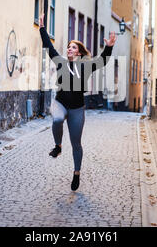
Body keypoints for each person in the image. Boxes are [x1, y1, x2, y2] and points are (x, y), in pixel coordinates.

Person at [39, 14, 116, 191]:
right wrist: (42, 29)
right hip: (60, 102)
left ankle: (76, 174)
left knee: (76, 144)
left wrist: (109, 47)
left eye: (73, 48)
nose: (69, 50)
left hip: (77, 109)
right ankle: (58, 146)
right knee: (57, 120)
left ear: (79, 52)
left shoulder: (86, 65)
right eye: (68, 48)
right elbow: (48, 47)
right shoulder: (60, 62)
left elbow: (102, 60)